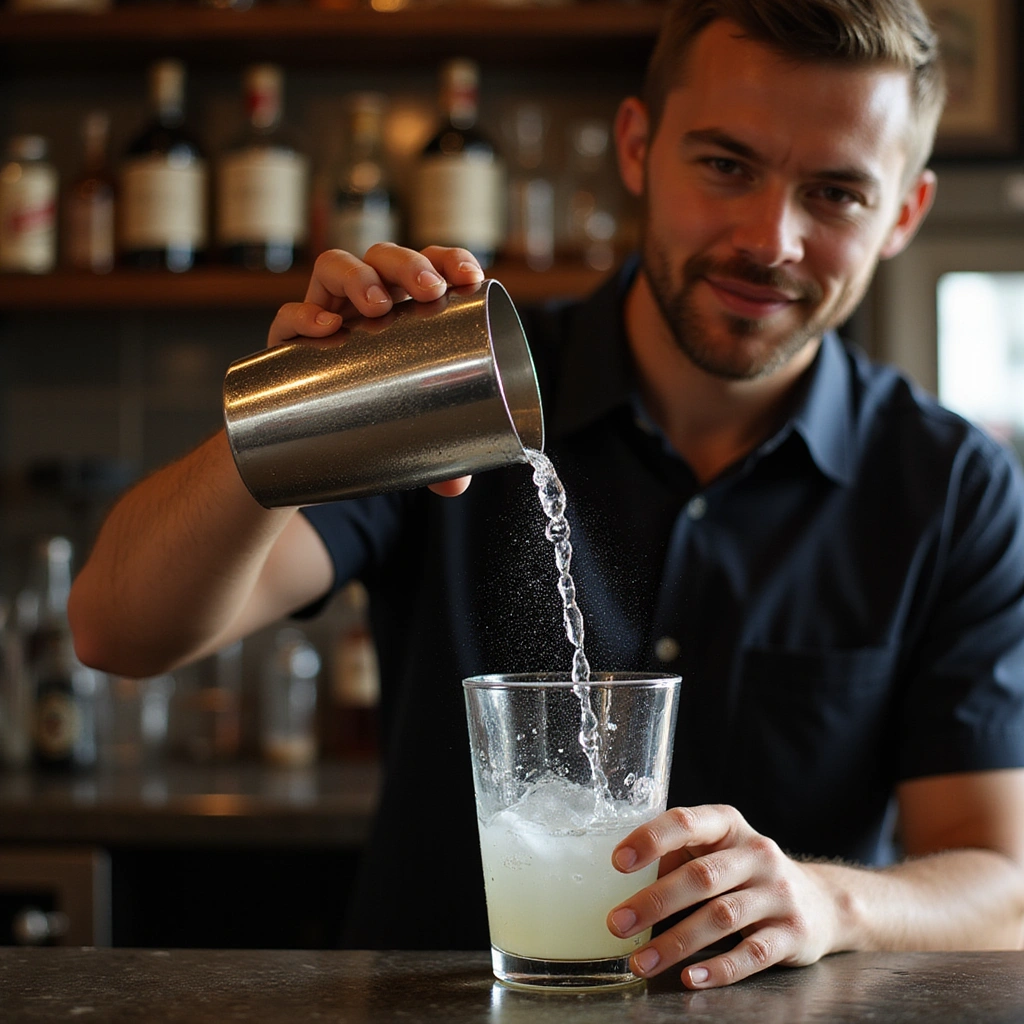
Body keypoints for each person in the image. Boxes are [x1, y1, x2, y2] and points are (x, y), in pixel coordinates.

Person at [69, 0, 1024, 989]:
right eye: (725, 165)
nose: (768, 237)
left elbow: (1002, 881)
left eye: (834, 194)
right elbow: (117, 630)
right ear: (637, 146)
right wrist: (306, 408)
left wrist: (831, 901)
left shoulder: (948, 484)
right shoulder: (457, 398)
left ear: (903, 214)